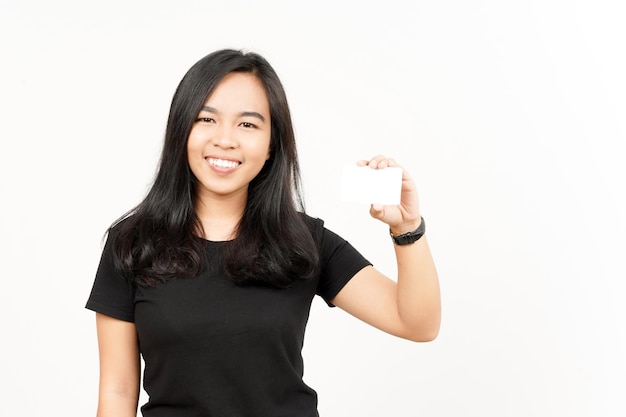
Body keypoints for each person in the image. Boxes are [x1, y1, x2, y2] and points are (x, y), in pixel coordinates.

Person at [85, 48, 441, 417]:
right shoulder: (131, 244)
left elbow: (417, 323)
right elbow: (117, 390)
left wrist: (407, 228)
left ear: (272, 145)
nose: (225, 139)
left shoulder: (304, 242)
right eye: (206, 119)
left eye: (248, 124)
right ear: (181, 130)